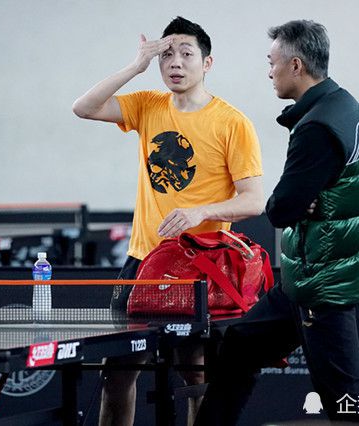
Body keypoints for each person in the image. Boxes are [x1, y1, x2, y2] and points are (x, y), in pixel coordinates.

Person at [72, 16, 264, 426]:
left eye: (186, 54)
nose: (175, 63)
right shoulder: (147, 104)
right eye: (167, 55)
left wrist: (201, 212)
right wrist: (135, 65)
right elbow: (83, 108)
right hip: (141, 263)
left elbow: (254, 200)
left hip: (197, 271)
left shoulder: (232, 123)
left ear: (207, 63)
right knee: (117, 375)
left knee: (196, 376)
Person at [195, 19, 359, 425]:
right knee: (240, 346)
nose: (268, 71)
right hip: (305, 280)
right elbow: (302, 200)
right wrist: (311, 201)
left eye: (271, 61)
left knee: (346, 404)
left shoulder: (316, 127)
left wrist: (307, 202)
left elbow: (279, 208)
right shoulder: (344, 105)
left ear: (295, 65)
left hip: (322, 284)